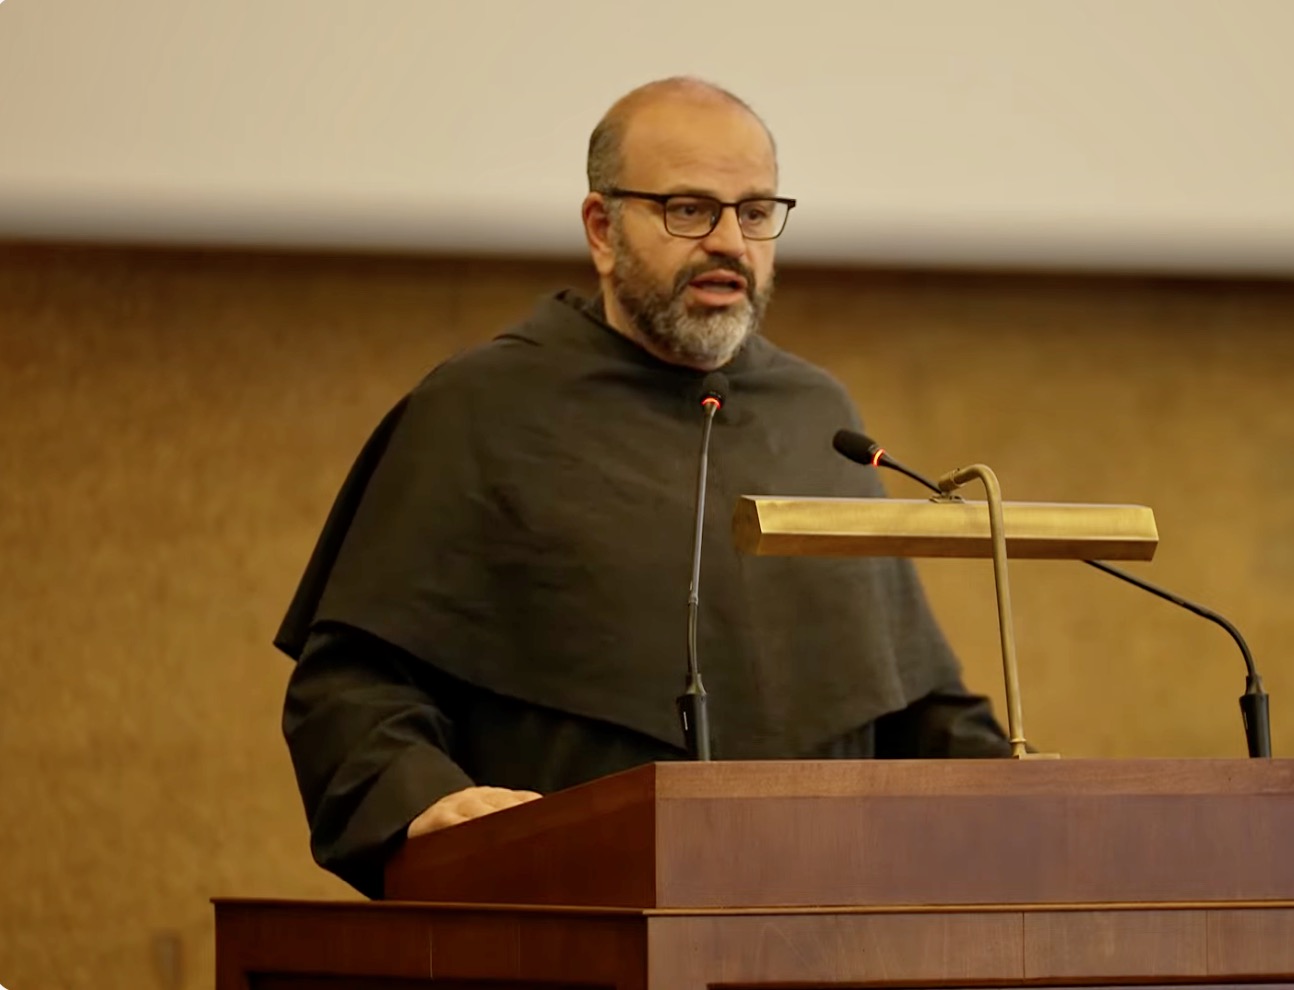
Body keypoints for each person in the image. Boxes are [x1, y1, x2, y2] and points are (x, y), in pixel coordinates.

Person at [273, 77, 1012, 898]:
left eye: (756, 212)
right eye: (690, 210)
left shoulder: (819, 419)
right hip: (567, 920)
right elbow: (354, 688)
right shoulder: (480, 409)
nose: (730, 241)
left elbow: (912, 705)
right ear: (601, 228)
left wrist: (1029, 804)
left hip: (822, 922)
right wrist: (428, 799)